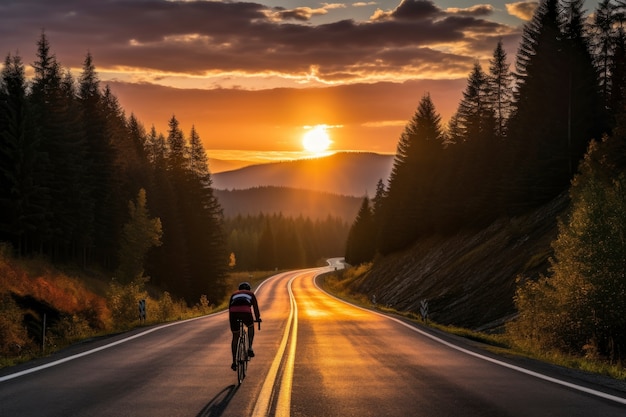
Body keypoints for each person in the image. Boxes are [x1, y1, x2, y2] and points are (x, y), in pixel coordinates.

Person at [228, 282, 261, 371]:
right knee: (250, 326)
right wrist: (257, 318)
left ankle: (234, 362)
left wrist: (232, 319)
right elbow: (255, 307)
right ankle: (250, 347)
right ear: (249, 289)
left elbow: (230, 307)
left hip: (233, 313)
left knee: (235, 337)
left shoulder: (234, 294)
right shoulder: (251, 294)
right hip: (245, 312)